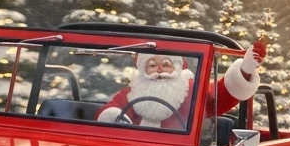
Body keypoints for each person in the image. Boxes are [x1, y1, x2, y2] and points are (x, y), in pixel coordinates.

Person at [95, 39, 268, 129]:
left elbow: (222, 95)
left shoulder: (191, 90)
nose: (160, 70)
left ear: (176, 68)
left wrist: (245, 69)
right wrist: (113, 118)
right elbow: (109, 113)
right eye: (152, 65)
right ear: (144, 70)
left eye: (166, 65)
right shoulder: (131, 93)